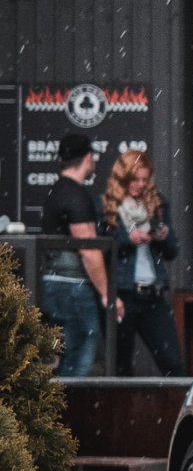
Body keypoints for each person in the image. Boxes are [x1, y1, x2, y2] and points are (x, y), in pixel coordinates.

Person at [40, 135, 118, 377]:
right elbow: (88, 250)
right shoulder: (74, 194)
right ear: (88, 157)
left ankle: (58, 400)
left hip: (54, 283)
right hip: (72, 285)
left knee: (69, 356)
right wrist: (107, 294)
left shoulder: (57, 191)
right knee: (80, 359)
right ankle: (65, 402)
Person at [102, 148, 185, 376]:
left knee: (173, 363)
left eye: (144, 180)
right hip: (123, 292)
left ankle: (178, 399)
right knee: (120, 367)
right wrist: (127, 240)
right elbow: (101, 248)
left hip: (152, 293)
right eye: (134, 179)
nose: (139, 185)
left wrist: (163, 236)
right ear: (123, 177)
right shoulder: (109, 206)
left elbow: (172, 251)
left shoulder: (156, 204)